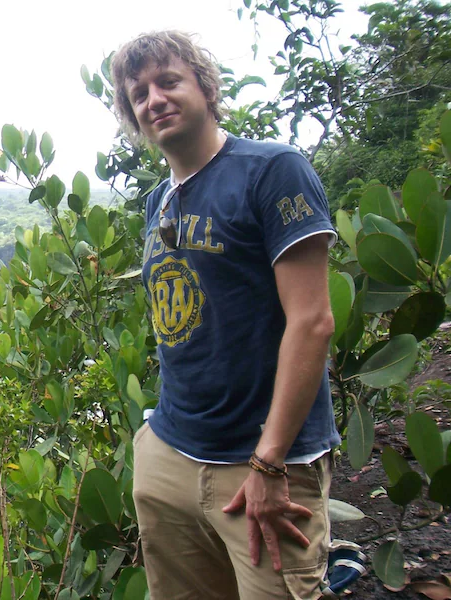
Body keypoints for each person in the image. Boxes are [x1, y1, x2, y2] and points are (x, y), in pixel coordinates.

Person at [112, 30, 341, 599]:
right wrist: (151, 451)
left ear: (205, 89)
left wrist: (269, 462)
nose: (154, 100)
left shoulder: (272, 170)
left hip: (261, 465)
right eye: (139, 94)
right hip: (170, 451)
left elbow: (312, 322)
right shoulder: (158, 200)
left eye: (169, 82)